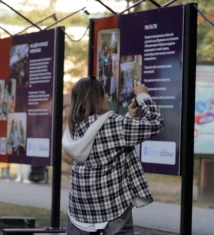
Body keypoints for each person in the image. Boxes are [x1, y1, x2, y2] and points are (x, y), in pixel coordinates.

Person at [62, 77, 164, 235]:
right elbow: (155, 122)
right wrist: (143, 96)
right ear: (97, 98)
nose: (107, 99)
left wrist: (129, 119)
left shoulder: (74, 126)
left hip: (80, 210)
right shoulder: (113, 123)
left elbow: (107, 143)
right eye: (104, 95)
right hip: (112, 207)